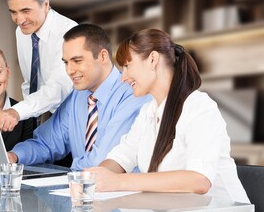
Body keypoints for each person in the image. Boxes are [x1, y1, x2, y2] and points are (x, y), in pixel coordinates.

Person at [86, 28, 250, 203]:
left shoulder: (199, 107)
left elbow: (199, 180)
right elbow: (121, 158)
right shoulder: (148, 112)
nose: (123, 77)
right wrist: (95, 178)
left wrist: (118, 182)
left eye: (127, 66)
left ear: (152, 60)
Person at [7, 24, 151, 170]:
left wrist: (68, 172)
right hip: (83, 188)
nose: (69, 70)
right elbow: (46, 143)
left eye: (77, 61)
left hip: (120, 191)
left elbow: (102, 161)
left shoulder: (134, 94)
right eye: (66, 62)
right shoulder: (77, 96)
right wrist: (15, 156)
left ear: (102, 56)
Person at [0, 0, 77, 132]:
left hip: (69, 119)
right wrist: (28, 121)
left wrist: (18, 111)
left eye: (26, 10)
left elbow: (59, 87)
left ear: (45, 4)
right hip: (38, 116)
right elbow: (29, 82)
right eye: (13, 12)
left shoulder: (69, 32)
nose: (20, 20)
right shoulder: (21, 32)